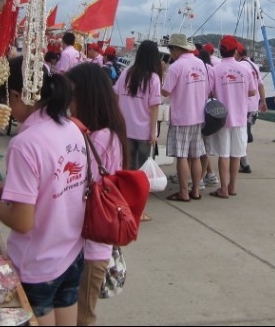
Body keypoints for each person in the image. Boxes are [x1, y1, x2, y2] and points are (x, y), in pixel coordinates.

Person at [0, 56, 88, 326]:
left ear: (16, 95)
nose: (8, 109)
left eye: (7, 101)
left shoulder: (25, 143)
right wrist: (9, 192)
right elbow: (54, 186)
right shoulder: (71, 128)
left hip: (39, 262)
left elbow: (22, 221)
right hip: (71, 253)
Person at [65, 62, 129, 327]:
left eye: (72, 96)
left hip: (91, 246)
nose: (68, 103)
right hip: (93, 243)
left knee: (83, 316)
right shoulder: (109, 133)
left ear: (85, 97)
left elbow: (79, 184)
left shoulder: (99, 139)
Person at [114, 39, 163, 221]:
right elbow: (154, 107)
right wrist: (153, 132)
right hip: (144, 132)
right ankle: (139, 211)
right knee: (142, 175)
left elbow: (115, 95)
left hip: (125, 130)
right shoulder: (153, 78)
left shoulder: (126, 73)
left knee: (127, 171)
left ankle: (124, 208)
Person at [160, 33, 208, 203]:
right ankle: (195, 190)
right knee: (195, 156)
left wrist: (163, 74)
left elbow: (165, 91)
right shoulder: (200, 63)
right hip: (198, 115)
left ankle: (183, 192)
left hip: (182, 116)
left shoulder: (176, 66)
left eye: (171, 50)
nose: (171, 53)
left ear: (176, 49)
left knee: (182, 156)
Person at [209, 35, 256, 198]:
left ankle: (223, 188)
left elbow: (209, 92)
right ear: (235, 50)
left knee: (224, 154)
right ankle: (232, 186)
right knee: (236, 154)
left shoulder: (215, 70)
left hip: (221, 117)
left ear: (220, 50)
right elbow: (252, 91)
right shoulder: (245, 69)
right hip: (240, 117)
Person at [235, 44, 267, 173]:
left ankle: (243, 163)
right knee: (245, 136)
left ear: (237, 53)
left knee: (240, 136)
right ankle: (243, 162)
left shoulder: (241, 66)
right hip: (254, 106)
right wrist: (263, 101)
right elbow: (261, 85)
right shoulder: (254, 65)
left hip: (244, 106)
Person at [197, 44, 218, 190]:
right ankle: (203, 177)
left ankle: (199, 178)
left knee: (195, 149)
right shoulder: (212, 69)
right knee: (205, 148)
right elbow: (213, 89)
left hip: (197, 110)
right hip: (209, 111)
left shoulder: (198, 68)